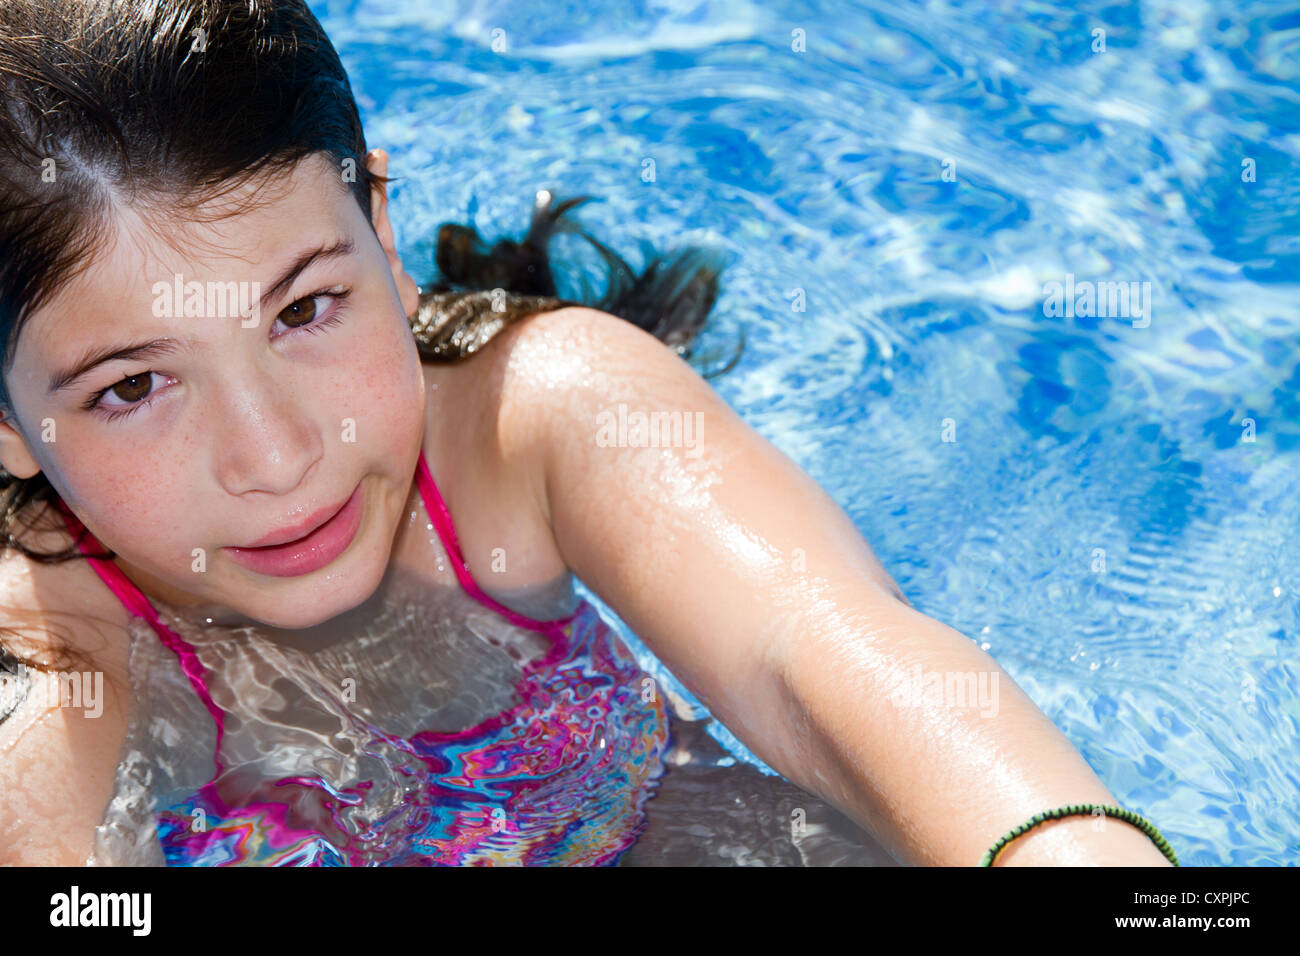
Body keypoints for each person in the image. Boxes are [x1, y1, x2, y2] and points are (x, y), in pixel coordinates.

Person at [0, 0, 1176, 866]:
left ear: (382, 228)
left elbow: (815, 656)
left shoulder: (538, 423)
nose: (274, 454)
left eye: (306, 309)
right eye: (133, 386)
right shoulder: (52, 646)